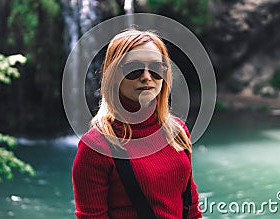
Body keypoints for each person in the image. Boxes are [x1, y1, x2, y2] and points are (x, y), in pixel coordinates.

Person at [72, 29, 202, 219]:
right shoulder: (96, 147)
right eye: (134, 69)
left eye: (157, 68)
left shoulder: (177, 131)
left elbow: (191, 207)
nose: (147, 77)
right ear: (113, 75)